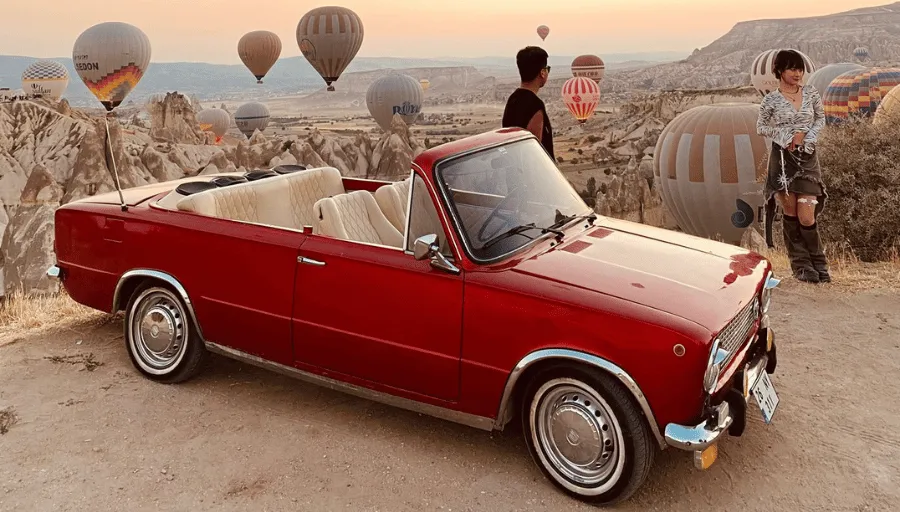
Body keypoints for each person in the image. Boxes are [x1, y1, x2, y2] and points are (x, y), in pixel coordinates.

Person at [757, 49, 830, 283]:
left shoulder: (811, 94)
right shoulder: (771, 100)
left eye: (800, 69)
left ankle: (819, 264)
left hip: (808, 159)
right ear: (779, 70)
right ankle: (801, 266)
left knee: (807, 216)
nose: (797, 73)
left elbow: (820, 119)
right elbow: (761, 127)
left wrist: (808, 139)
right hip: (782, 160)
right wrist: (785, 136)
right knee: (790, 213)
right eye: (792, 68)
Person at [502, 46, 554, 159]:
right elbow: (535, 150)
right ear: (542, 73)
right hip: (535, 173)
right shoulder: (535, 105)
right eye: (547, 69)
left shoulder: (513, 99)